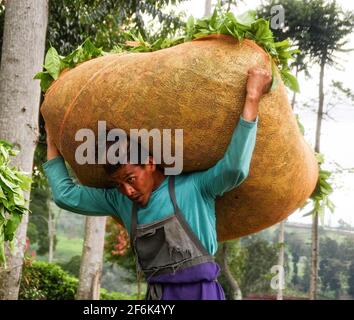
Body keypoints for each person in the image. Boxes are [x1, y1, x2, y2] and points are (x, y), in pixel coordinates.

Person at [42, 67, 272, 300]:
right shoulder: (119, 201)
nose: (127, 190)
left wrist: (252, 97)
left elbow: (234, 168)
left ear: (150, 163)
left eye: (130, 179)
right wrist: (52, 140)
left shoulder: (193, 188)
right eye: (118, 183)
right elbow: (64, 195)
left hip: (203, 294)